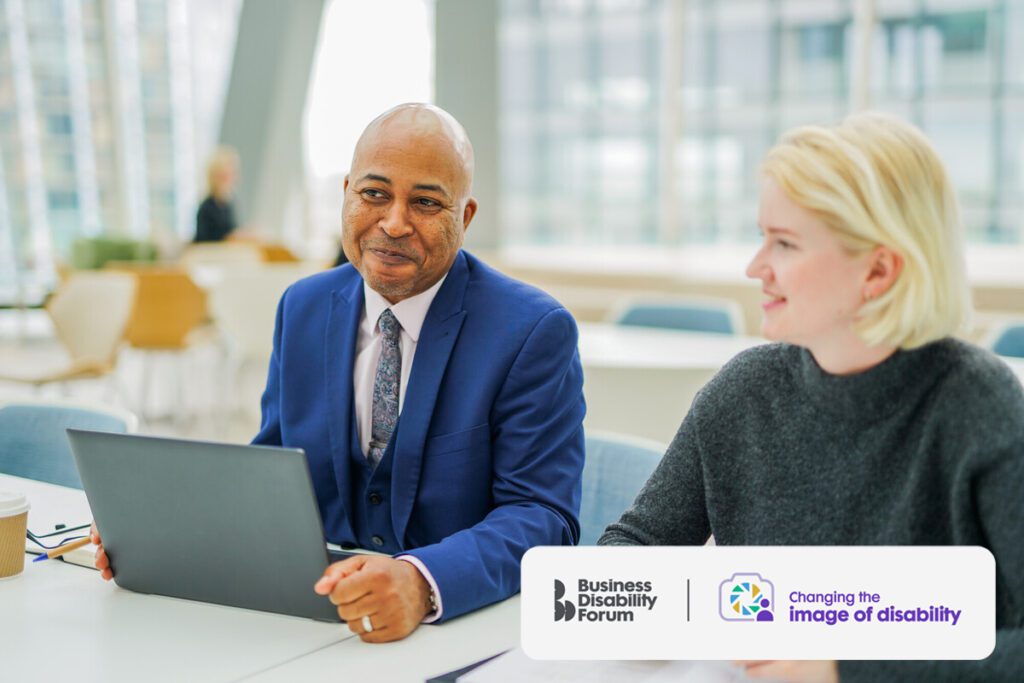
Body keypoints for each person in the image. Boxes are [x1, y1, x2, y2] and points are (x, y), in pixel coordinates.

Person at [96, 103, 585, 642]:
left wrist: (421, 581)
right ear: (347, 193)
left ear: (464, 217)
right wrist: (173, 530)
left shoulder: (532, 331)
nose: (393, 222)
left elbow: (542, 517)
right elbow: (274, 471)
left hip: (456, 632)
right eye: (374, 194)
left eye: (425, 202)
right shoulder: (303, 307)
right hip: (317, 626)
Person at [599, 112, 1024, 682]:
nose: (756, 269)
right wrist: (647, 608)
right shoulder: (742, 392)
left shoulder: (981, 408)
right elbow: (635, 546)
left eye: (785, 243)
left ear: (878, 270)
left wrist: (845, 668)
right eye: (762, 237)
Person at [193, 146, 240, 242]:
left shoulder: (228, 205)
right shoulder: (206, 208)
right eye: (224, 175)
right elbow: (205, 240)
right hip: (211, 255)